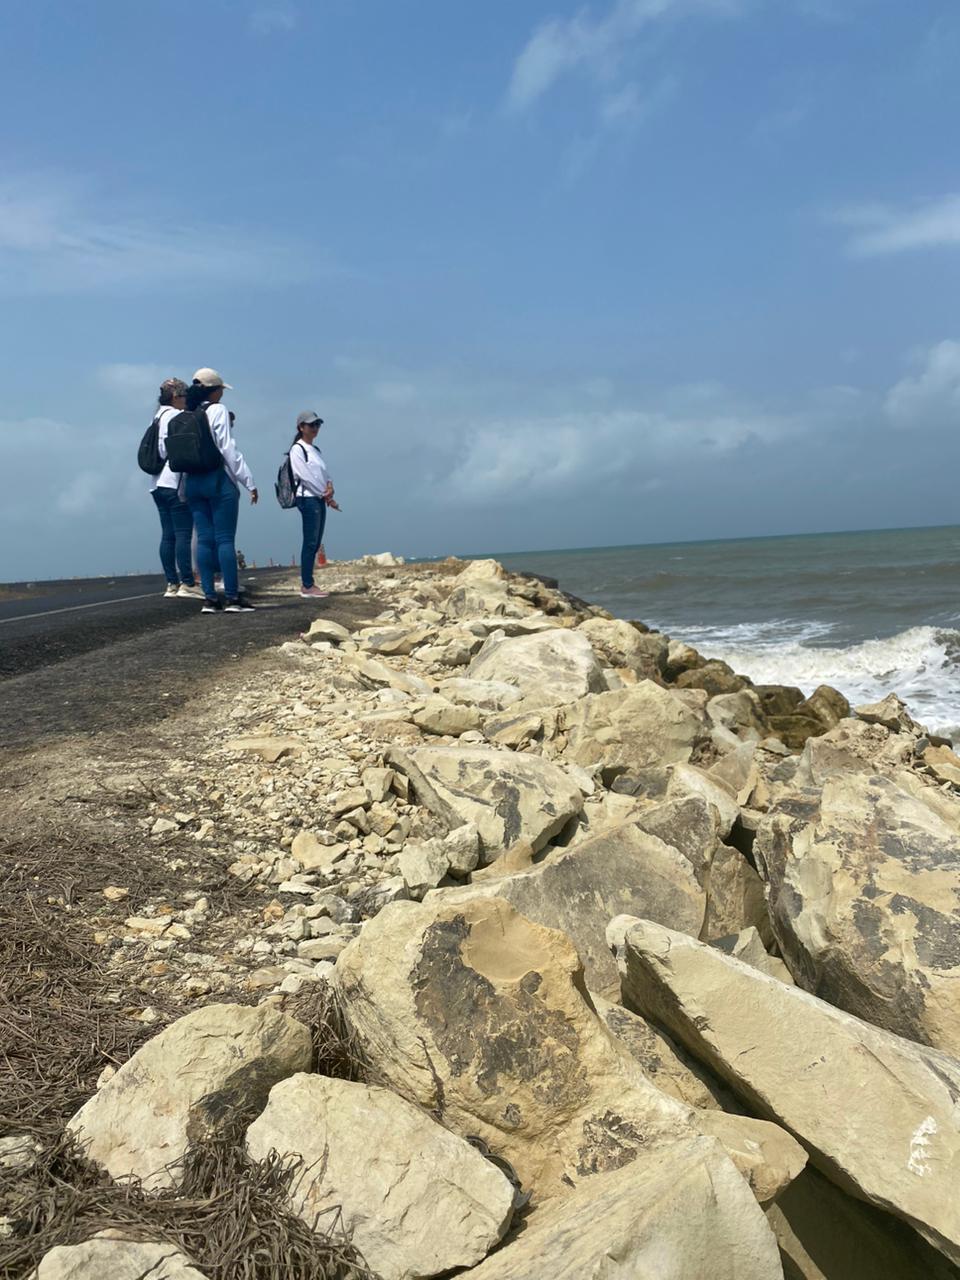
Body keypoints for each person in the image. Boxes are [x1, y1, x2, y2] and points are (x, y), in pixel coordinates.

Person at [183, 368, 258, 613]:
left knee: (204, 539)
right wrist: (249, 481)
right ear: (215, 391)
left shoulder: (186, 414)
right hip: (218, 480)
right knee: (225, 539)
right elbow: (228, 449)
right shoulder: (218, 411)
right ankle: (233, 598)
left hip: (193, 482)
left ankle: (210, 599)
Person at [150, 378, 203, 599]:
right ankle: (187, 583)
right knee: (183, 533)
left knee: (167, 535)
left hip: (156, 483)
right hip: (174, 481)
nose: (185, 401)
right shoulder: (175, 416)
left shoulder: (156, 416)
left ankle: (172, 582)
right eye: (183, 396)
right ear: (175, 397)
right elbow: (174, 449)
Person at [289, 411, 337, 599]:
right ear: (301, 427)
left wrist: (330, 487)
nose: (315, 428)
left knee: (315, 542)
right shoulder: (297, 450)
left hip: (318, 497)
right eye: (311, 425)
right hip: (308, 498)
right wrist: (326, 495)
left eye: (317, 424)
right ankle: (307, 585)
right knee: (310, 541)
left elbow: (325, 474)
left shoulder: (315, 450)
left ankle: (309, 583)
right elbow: (305, 476)